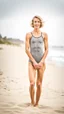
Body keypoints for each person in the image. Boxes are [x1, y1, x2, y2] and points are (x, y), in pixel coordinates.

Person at [25, 15, 48, 106]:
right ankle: (32, 101)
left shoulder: (45, 35)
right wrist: (34, 61)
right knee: (32, 83)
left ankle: (37, 104)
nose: (36, 23)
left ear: (40, 23)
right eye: (35, 22)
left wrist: (42, 61)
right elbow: (26, 49)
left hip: (41, 62)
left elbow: (46, 49)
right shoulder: (28, 34)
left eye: (38, 22)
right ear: (33, 23)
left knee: (39, 84)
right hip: (31, 62)